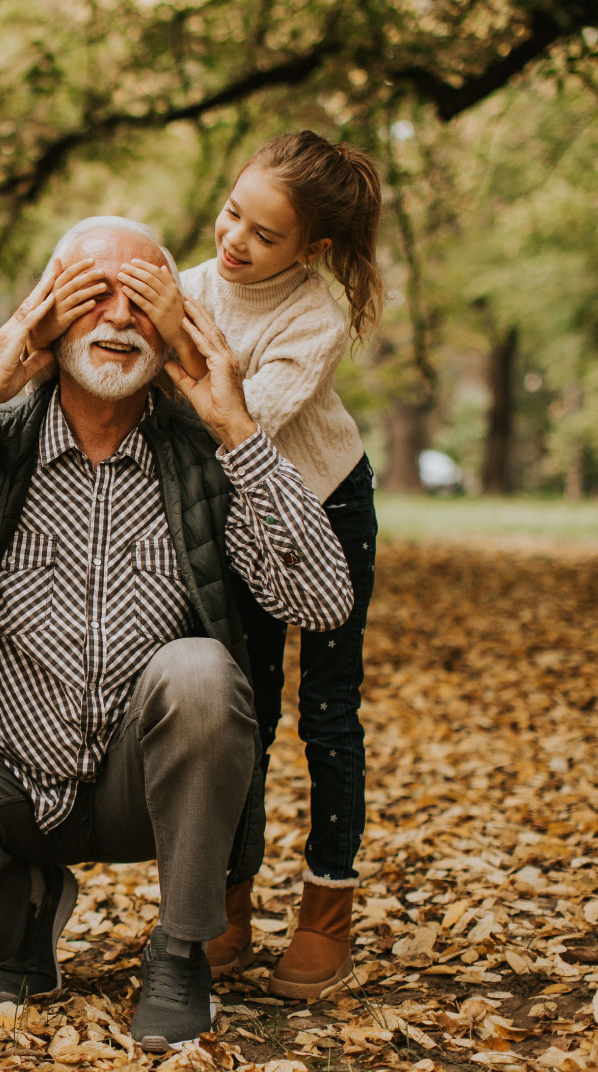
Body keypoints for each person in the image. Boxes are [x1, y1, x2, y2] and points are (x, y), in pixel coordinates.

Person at [0, 216, 354, 1051]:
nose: (118, 317)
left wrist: (237, 426)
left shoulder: (208, 461)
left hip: (145, 790)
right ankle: (26, 921)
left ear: (174, 323)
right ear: (46, 313)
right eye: (91, 294)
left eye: (144, 299)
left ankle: (180, 950)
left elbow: (321, 600)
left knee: (202, 672)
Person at [112, 132, 383, 999]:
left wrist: (188, 352)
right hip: (237, 519)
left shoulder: (316, 316)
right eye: (234, 213)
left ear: (313, 248)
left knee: (328, 712)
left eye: (265, 235)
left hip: (325, 503)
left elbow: (243, 419)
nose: (236, 240)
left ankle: (326, 906)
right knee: (247, 708)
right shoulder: (185, 288)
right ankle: (229, 892)